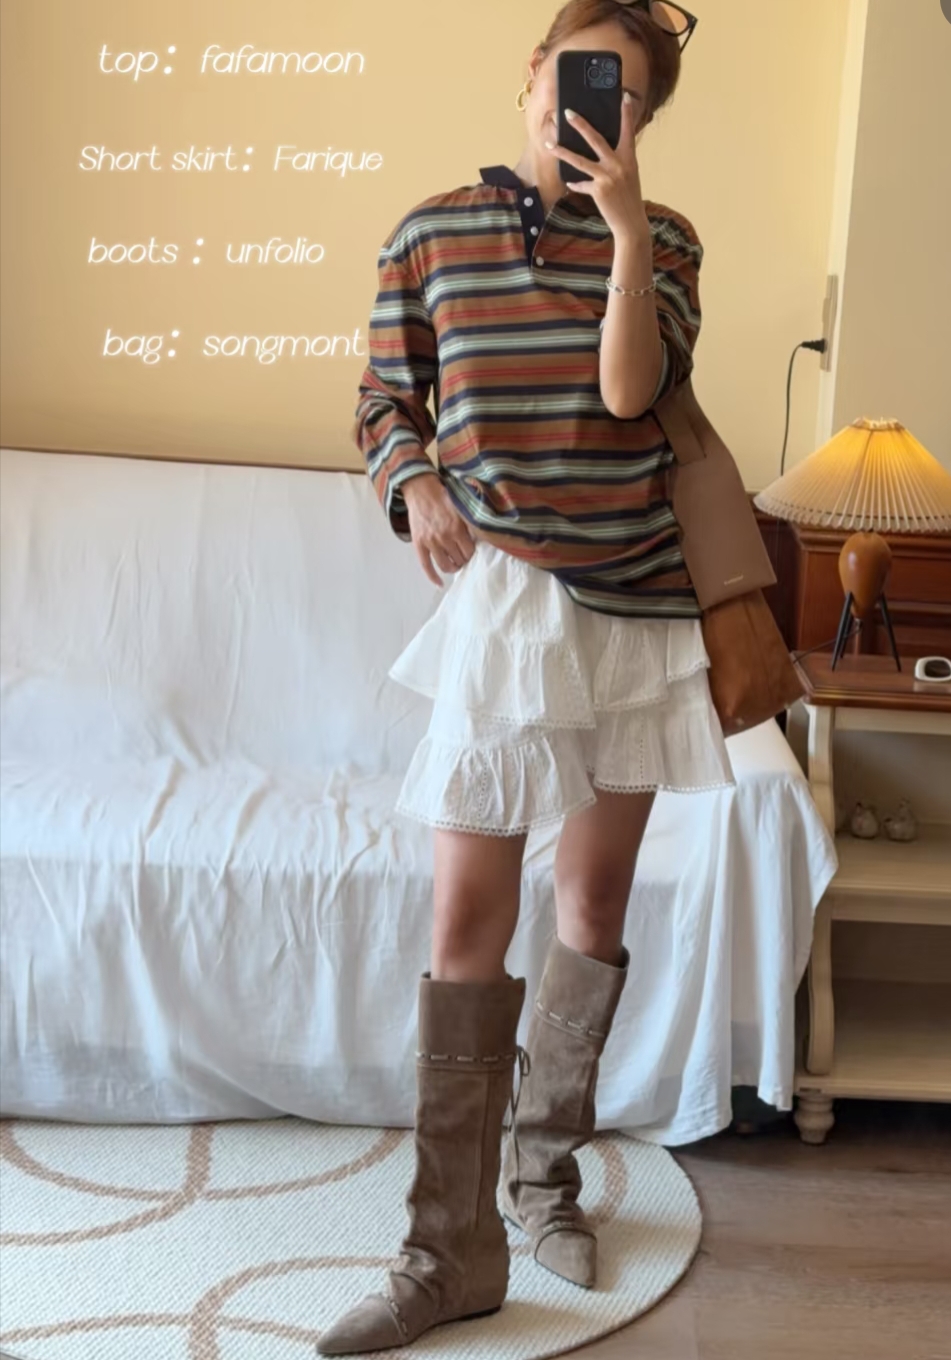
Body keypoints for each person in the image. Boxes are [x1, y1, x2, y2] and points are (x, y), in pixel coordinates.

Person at [316, 2, 720, 1354]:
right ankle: (448, 1253)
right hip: (509, 612)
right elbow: (383, 399)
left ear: (644, 119)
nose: (595, 103)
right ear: (532, 77)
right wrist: (417, 482)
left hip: (637, 609)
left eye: (627, 93)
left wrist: (624, 232)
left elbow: (629, 397)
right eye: (578, 74)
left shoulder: (668, 241)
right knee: (464, 925)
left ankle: (543, 1177)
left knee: (592, 902)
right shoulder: (430, 235)